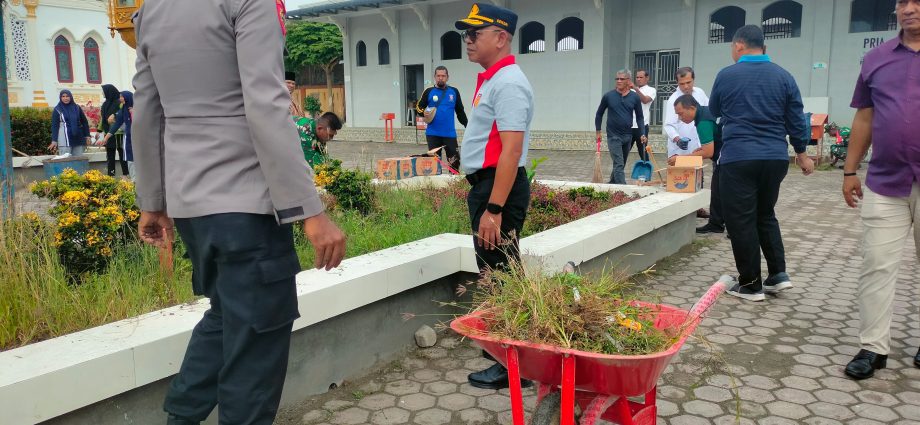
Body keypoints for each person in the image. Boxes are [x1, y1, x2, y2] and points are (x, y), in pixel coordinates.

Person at [131, 0, 347, 423]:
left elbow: (147, 112)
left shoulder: (152, 9)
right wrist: (310, 211)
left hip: (192, 209)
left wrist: (153, 202)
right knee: (257, 343)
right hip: (244, 206)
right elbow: (266, 104)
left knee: (226, 317)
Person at [455, 2, 534, 390]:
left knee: (500, 274)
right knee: (500, 271)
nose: (467, 40)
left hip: (498, 190)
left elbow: (511, 150)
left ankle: (512, 365)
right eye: (466, 34)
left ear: (501, 37)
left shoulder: (508, 83)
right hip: (488, 186)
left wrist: (494, 208)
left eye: (475, 33)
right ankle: (512, 356)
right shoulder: (493, 79)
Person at [842, 0, 920, 380]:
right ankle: (873, 348)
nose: (909, 8)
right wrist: (849, 170)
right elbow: (865, 116)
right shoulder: (876, 59)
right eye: (902, 1)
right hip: (886, 182)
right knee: (876, 265)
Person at [709, 24, 814, 302]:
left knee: (741, 221)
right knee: (765, 214)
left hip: (739, 158)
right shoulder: (784, 76)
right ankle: (778, 275)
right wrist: (802, 153)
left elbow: (715, 110)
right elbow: (796, 118)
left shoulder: (727, 75)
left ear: (739, 46)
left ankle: (751, 285)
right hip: (775, 158)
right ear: (764, 47)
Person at [673, 95, 726, 235]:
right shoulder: (705, 112)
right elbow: (709, 145)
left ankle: (732, 227)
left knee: (724, 192)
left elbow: (708, 152)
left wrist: (680, 159)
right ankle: (716, 223)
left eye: (681, 114)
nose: (680, 118)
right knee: (718, 190)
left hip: (727, 156)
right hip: (724, 154)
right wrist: (701, 150)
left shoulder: (703, 121)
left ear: (691, 108)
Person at [595, 70, 645, 184]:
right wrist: (598, 131)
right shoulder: (608, 96)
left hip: (628, 136)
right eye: (617, 79)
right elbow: (599, 114)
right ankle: (623, 188)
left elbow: (640, 117)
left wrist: (642, 133)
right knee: (619, 163)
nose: (618, 81)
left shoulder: (634, 97)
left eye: (622, 79)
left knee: (621, 163)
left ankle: (612, 183)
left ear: (628, 81)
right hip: (613, 136)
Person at [415, 66, 468, 171]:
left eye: (443, 76)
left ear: (447, 77)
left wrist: (467, 125)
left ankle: (453, 179)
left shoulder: (454, 92)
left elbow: (460, 111)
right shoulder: (428, 91)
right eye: (438, 76)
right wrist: (424, 113)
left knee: (454, 162)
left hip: (449, 134)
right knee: (434, 165)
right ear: (435, 77)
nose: (440, 78)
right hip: (433, 134)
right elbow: (418, 107)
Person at [663, 67, 709, 162]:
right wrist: (678, 140)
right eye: (682, 84)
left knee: (697, 171)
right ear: (677, 83)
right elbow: (669, 125)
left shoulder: (700, 93)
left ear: (693, 80)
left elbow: (708, 111)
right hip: (680, 149)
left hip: (698, 146)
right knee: (681, 171)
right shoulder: (673, 100)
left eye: (688, 82)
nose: (686, 86)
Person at [102, 91, 135, 179]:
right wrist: (106, 137)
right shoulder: (124, 108)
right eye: (120, 97)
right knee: (130, 158)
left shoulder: (138, 108)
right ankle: (134, 180)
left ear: (127, 97)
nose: (120, 99)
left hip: (139, 137)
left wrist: (133, 113)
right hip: (128, 138)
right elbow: (116, 124)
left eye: (122, 97)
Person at [99, 84, 129, 177]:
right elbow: (103, 118)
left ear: (109, 92)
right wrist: (99, 130)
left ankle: (125, 175)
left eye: (104, 91)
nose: (102, 93)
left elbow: (123, 113)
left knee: (122, 154)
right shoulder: (105, 104)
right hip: (108, 131)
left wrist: (115, 115)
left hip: (119, 133)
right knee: (110, 154)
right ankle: (111, 175)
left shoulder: (119, 102)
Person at [48, 90, 91, 156]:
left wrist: (87, 136)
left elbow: (84, 122)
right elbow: (55, 126)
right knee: (65, 160)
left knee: (78, 159)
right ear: (60, 97)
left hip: (78, 138)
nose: (65, 98)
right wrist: (54, 141)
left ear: (71, 97)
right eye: (63, 96)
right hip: (64, 140)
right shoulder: (57, 109)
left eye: (67, 96)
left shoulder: (77, 108)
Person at [630, 69, 656, 162]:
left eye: (641, 77)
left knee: (643, 151)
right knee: (623, 151)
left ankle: (646, 169)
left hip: (642, 126)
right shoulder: (630, 91)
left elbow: (645, 100)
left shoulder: (651, 90)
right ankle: (618, 170)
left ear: (647, 78)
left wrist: (636, 89)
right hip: (629, 125)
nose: (638, 79)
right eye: (637, 77)